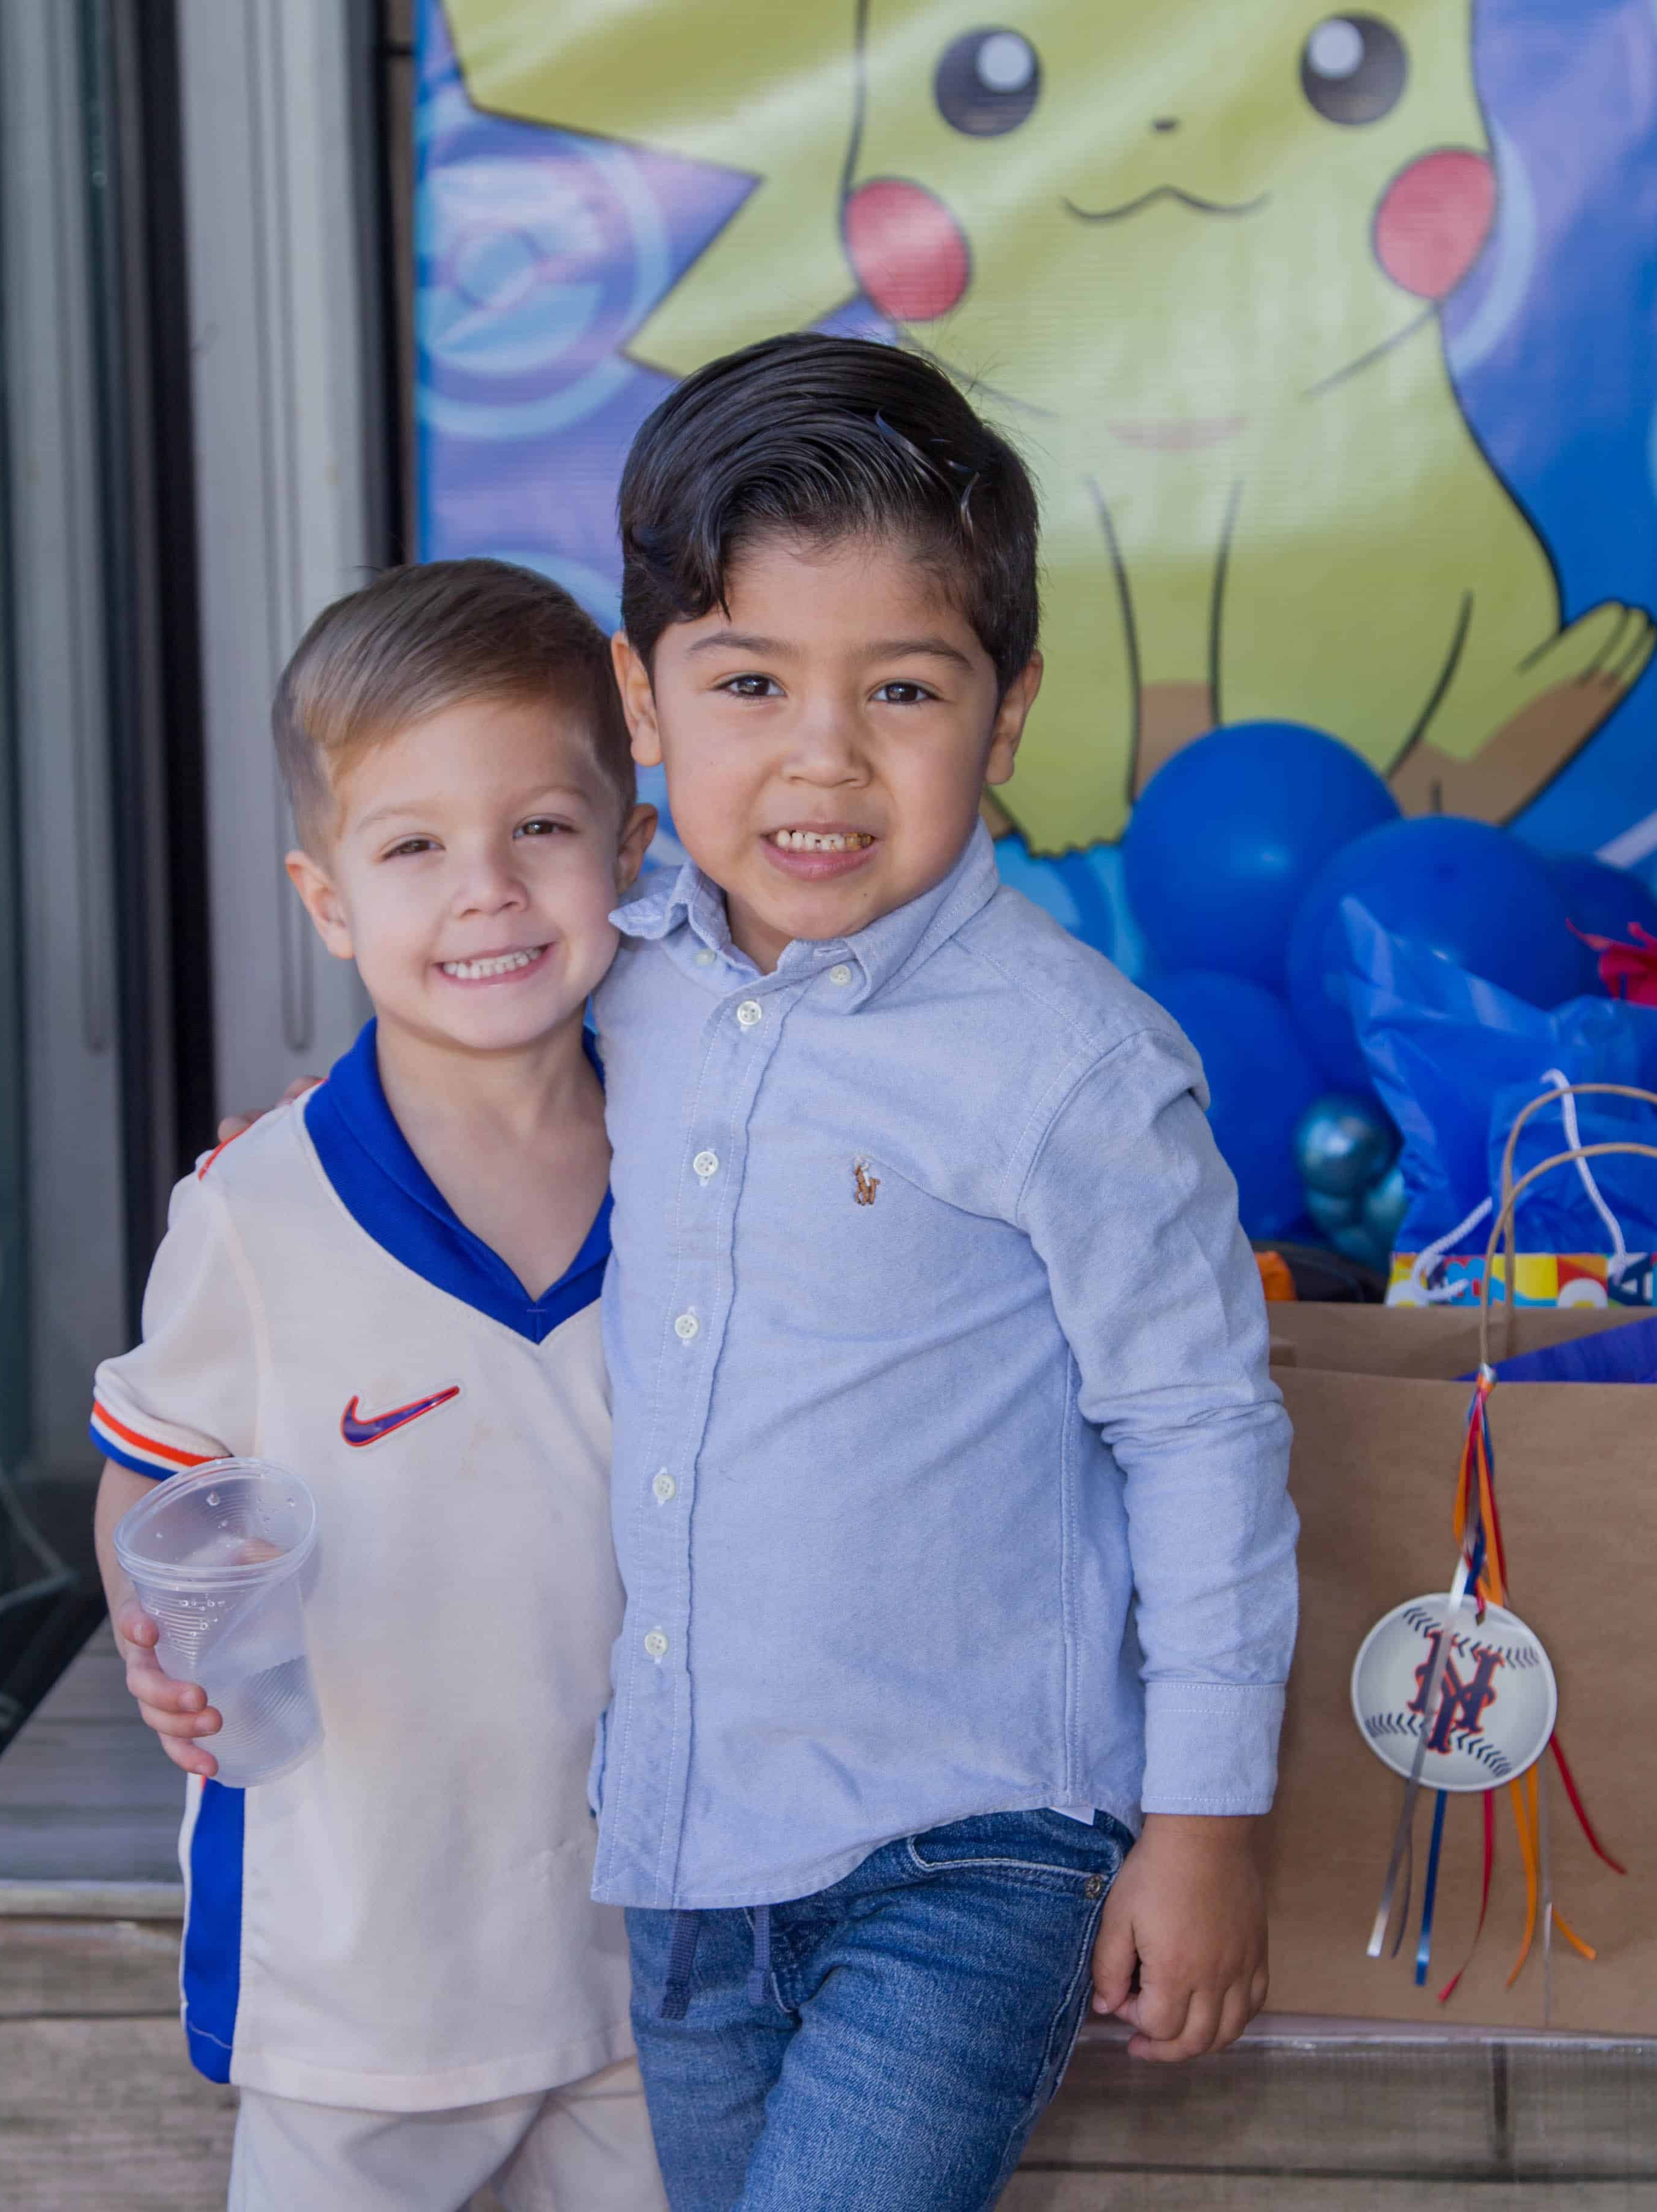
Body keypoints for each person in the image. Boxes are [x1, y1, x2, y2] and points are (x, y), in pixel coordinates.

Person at [591, 332, 1299, 2208]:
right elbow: (443, 1093)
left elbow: (1205, 1434)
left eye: (900, 688)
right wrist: (294, 1157)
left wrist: (1208, 1822)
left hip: (968, 1852)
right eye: (749, 680)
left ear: (1005, 718)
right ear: (642, 704)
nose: (821, 758)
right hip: (683, 1846)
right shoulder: (616, 983)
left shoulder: (1072, 1062)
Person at [90, 559, 668, 2212]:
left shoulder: (709, 1162)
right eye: (413, 847)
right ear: (330, 900)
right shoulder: (255, 1214)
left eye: (542, 830)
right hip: (361, 1986)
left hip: (649, 1968)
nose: (485, 890)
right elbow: (154, 1462)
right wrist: (154, 1612)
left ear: (629, 848)